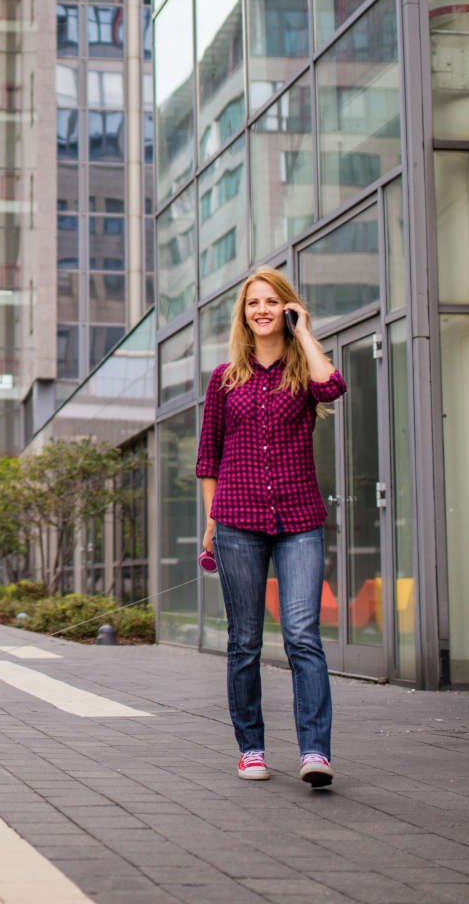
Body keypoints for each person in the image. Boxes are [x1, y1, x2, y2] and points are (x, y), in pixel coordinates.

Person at [195, 266, 345, 788]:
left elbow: (335, 387)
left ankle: (315, 752)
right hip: (237, 521)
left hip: (299, 519)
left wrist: (304, 332)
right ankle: (251, 748)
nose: (260, 310)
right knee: (246, 641)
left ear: (286, 307)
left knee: (303, 634)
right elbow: (208, 458)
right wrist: (211, 522)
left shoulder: (304, 374)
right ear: (244, 315)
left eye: (270, 301)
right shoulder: (224, 379)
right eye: (251, 303)